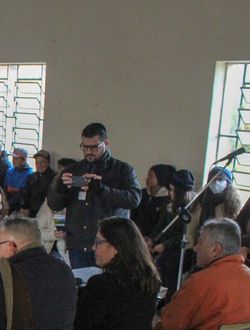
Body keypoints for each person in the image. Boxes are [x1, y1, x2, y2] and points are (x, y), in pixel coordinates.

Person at [46, 122, 141, 268]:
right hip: (78, 243)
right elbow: (53, 204)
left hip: (110, 244)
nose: (89, 152)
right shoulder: (73, 169)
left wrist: (101, 189)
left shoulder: (123, 170)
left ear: (106, 143)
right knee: (83, 287)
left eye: (94, 147)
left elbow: (134, 199)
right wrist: (61, 188)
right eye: (85, 147)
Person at [151, 169, 196, 300]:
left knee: (168, 263)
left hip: (180, 245)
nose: (170, 193)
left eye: (173, 190)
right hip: (166, 242)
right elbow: (161, 224)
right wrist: (152, 240)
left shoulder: (190, 208)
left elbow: (183, 233)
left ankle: (169, 298)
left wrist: (164, 245)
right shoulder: (168, 203)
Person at [132, 164, 176, 238]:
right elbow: (134, 213)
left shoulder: (167, 198)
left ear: (160, 178)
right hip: (138, 235)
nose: (147, 178)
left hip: (156, 239)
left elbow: (163, 222)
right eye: (148, 175)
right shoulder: (142, 193)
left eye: (151, 176)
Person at [19, 149, 57, 219]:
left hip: (43, 214)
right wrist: (22, 207)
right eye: (37, 162)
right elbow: (25, 193)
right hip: (28, 213)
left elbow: (46, 200)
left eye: (42, 162)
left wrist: (30, 211)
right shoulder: (32, 176)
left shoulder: (54, 178)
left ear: (48, 163)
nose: (39, 165)